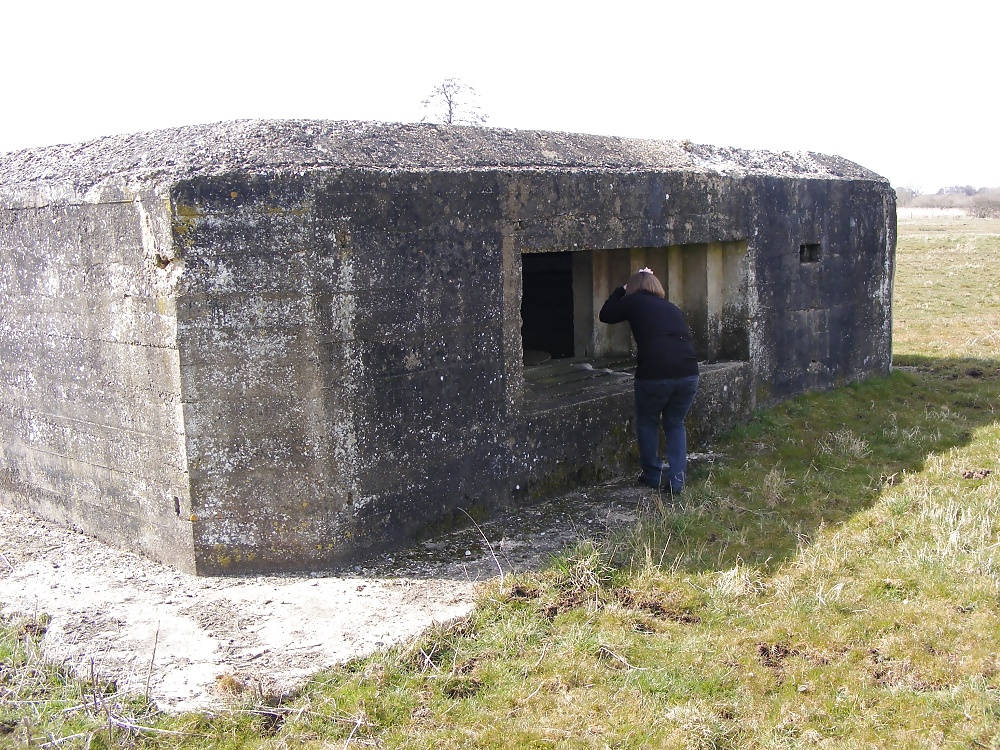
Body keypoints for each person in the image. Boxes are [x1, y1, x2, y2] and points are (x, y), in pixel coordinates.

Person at [599, 268, 699, 493]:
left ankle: (652, 475)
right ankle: (677, 482)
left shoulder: (634, 301)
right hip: (689, 372)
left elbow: (606, 314)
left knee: (648, 422)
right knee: (675, 423)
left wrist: (622, 289)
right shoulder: (672, 308)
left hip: (655, 372)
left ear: (634, 289)